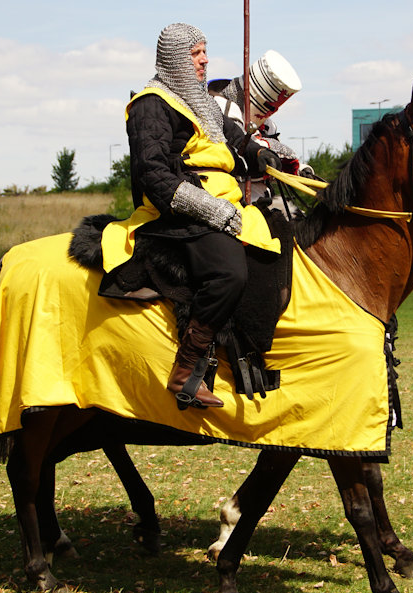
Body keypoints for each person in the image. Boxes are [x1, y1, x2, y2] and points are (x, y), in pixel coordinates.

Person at [125, 23, 281, 409]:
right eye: (196, 53)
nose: (205, 60)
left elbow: (233, 139)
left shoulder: (202, 101)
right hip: (176, 212)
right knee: (229, 272)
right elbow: (155, 177)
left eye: (204, 51)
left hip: (220, 202)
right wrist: (213, 211)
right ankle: (187, 369)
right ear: (175, 58)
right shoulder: (151, 104)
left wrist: (260, 154)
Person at [208, 50, 313, 210]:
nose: (271, 112)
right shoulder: (221, 109)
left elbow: (276, 159)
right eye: (269, 106)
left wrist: (300, 170)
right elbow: (240, 155)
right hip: (229, 201)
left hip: (263, 199)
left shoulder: (267, 123)